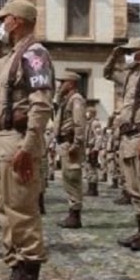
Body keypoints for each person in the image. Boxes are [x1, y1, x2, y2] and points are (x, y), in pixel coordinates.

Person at [0, 0, 54, 280]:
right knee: (6, 213)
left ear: (18, 21)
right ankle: (16, 273)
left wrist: (29, 147)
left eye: (5, 20)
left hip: (17, 142)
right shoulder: (11, 55)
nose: (1, 23)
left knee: (22, 213)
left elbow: (41, 104)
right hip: (0, 142)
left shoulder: (35, 54)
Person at [104, 38, 140, 250]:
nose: (128, 54)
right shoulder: (130, 76)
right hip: (127, 138)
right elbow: (107, 73)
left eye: (131, 51)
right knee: (133, 188)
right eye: (127, 51)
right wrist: (116, 53)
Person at [54, 70, 87, 228]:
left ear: (71, 83)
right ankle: (72, 213)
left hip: (70, 143)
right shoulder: (66, 99)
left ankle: (75, 215)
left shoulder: (76, 100)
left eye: (63, 82)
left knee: (73, 179)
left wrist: (76, 144)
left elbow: (79, 123)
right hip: (64, 144)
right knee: (68, 178)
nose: (60, 85)